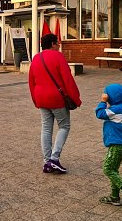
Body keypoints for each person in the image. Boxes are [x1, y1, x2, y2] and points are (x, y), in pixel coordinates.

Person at [28, 33, 82, 174]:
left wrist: (35, 99)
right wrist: (76, 98)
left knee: (46, 128)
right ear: (52, 44)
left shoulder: (36, 58)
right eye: (57, 43)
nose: (59, 45)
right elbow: (67, 79)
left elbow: (31, 81)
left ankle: (47, 161)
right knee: (64, 126)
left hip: (41, 98)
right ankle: (54, 158)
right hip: (56, 98)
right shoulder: (58, 56)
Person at [95, 83, 122, 208]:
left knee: (107, 169)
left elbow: (99, 114)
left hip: (116, 145)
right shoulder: (121, 107)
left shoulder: (115, 109)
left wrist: (102, 102)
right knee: (114, 170)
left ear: (110, 96)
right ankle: (115, 197)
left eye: (106, 94)